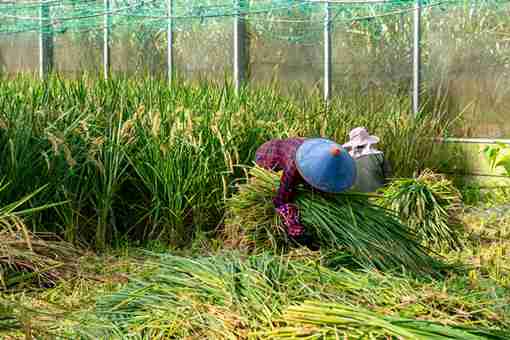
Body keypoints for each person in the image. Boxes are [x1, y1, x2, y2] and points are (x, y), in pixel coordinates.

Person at [255, 137, 356, 239]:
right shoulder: (294, 165)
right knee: (285, 201)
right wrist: (293, 224)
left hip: (291, 153)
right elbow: (281, 199)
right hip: (268, 157)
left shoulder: (318, 150)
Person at [342, 127, 392, 193]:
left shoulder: (346, 158)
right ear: (368, 142)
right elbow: (389, 179)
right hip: (378, 197)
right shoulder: (379, 155)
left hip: (353, 198)